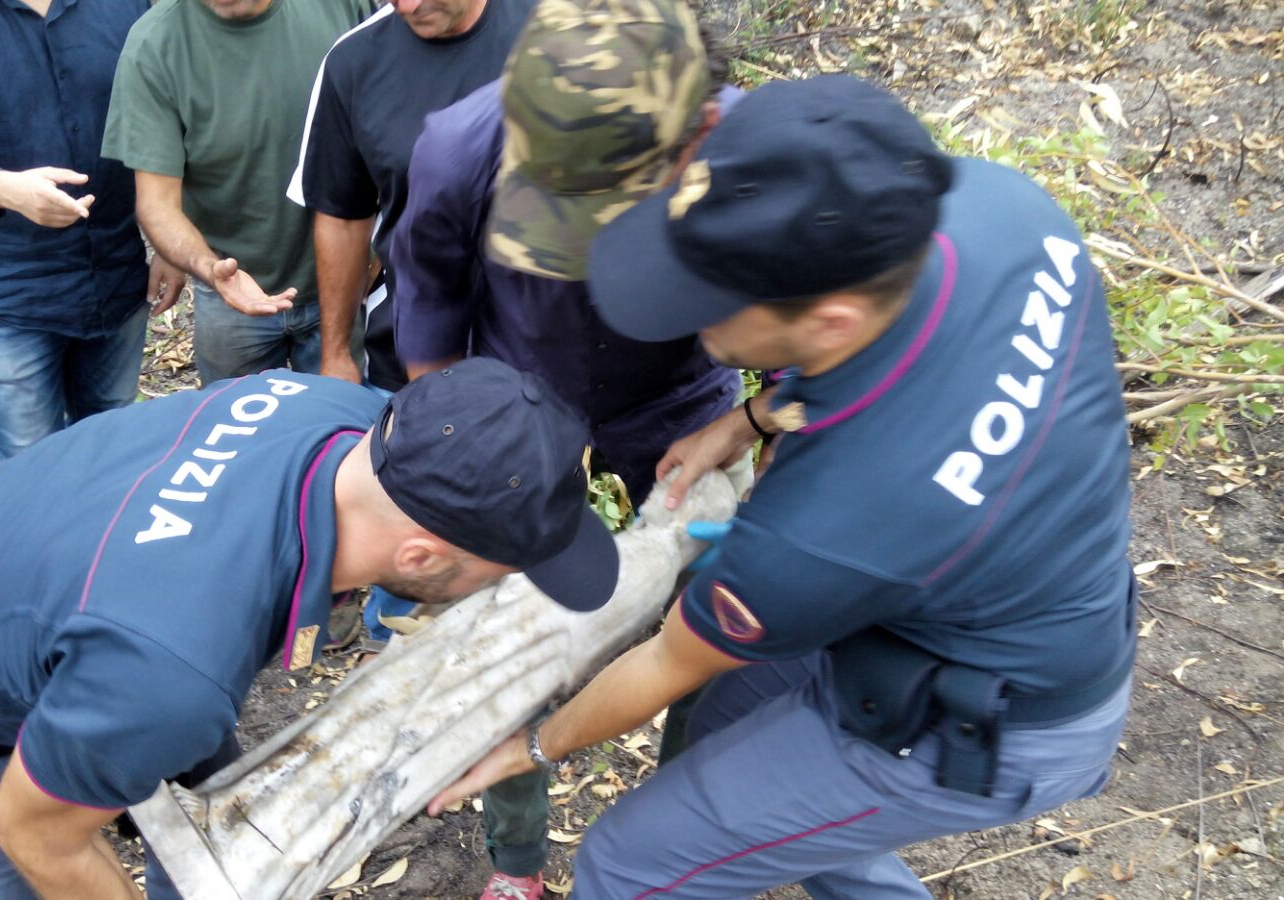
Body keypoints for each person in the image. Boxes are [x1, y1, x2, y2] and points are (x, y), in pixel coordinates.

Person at [430, 75, 1137, 898]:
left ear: (831, 320)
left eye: (708, 304)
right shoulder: (1003, 211)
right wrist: (754, 419)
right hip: (1011, 587)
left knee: (633, 860)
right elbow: (924, 360)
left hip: (984, 712)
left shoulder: (827, 525)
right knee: (731, 753)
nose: (689, 324)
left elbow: (667, 663)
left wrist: (534, 746)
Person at [0, 359, 616, 900]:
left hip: (31, 594)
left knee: (204, 816)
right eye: (499, 571)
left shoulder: (341, 412)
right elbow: (37, 834)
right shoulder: (170, 667)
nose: (502, 586)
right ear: (421, 552)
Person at [389, 0, 751, 893]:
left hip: (691, 414)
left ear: (695, 133)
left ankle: (683, 834)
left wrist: (747, 422)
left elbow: (816, 328)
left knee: (715, 635)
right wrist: (451, 463)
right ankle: (517, 864)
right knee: (506, 652)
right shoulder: (460, 148)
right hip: (522, 418)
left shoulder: (752, 155)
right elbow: (429, 308)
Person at [0, 0, 163, 462]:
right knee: (30, 463)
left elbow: (164, 112)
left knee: (112, 449)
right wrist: (4, 189)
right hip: (10, 287)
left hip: (116, 272)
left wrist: (170, 240)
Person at [102, 0, 371, 385]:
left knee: (348, 432)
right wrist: (208, 268)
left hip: (344, 281)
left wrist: (379, 248)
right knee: (238, 433)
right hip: (232, 291)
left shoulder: (343, 8)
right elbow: (157, 203)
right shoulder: (156, 44)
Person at [287, 0, 536, 390]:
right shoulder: (353, 60)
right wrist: (336, 355)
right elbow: (343, 216)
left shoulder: (556, 26)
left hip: (544, 344)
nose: (408, 6)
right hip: (411, 352)